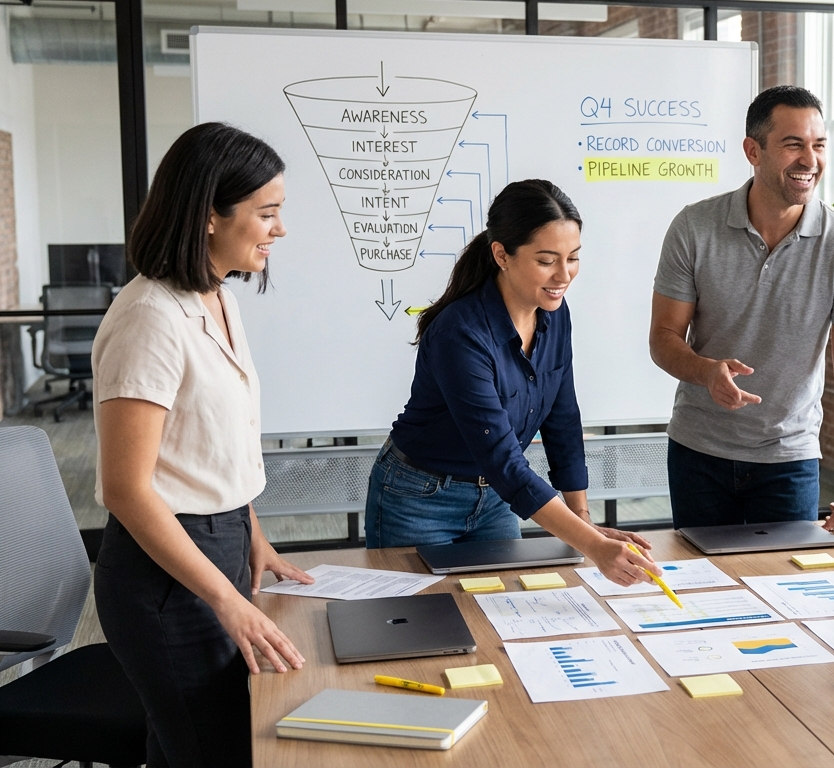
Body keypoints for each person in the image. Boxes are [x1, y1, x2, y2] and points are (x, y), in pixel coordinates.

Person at [92, 122, 315, 767]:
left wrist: (251, 534)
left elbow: (210, 446)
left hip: (217, 544)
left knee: (192, 745)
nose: (279, 230)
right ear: (210, 215)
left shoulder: (216, 296)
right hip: (165, 577)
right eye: (266, 214)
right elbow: (128, 489)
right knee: (211, 750)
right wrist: (223, 598)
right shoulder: (149, 319)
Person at [366, 179, 658, 587]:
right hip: (420, 498)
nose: (564, 275)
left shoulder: (554, 312)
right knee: (422, 624)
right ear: (501, 254)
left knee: (502, 613)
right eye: (546, 260)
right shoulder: (461, 333)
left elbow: (562, 419)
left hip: (497, 499)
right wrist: (593, 545)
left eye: (573, 258)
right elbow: (501, 456)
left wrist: (583, 519)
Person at [649, 85, 834, 532]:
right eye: (793, 144)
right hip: (699, 451)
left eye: (818, 145)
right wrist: (705, 372)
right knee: (704, 591)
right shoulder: (694, 227)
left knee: (786, 591)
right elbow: (663, 339)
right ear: (753, 151)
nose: (809, 160)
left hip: (788, 459)